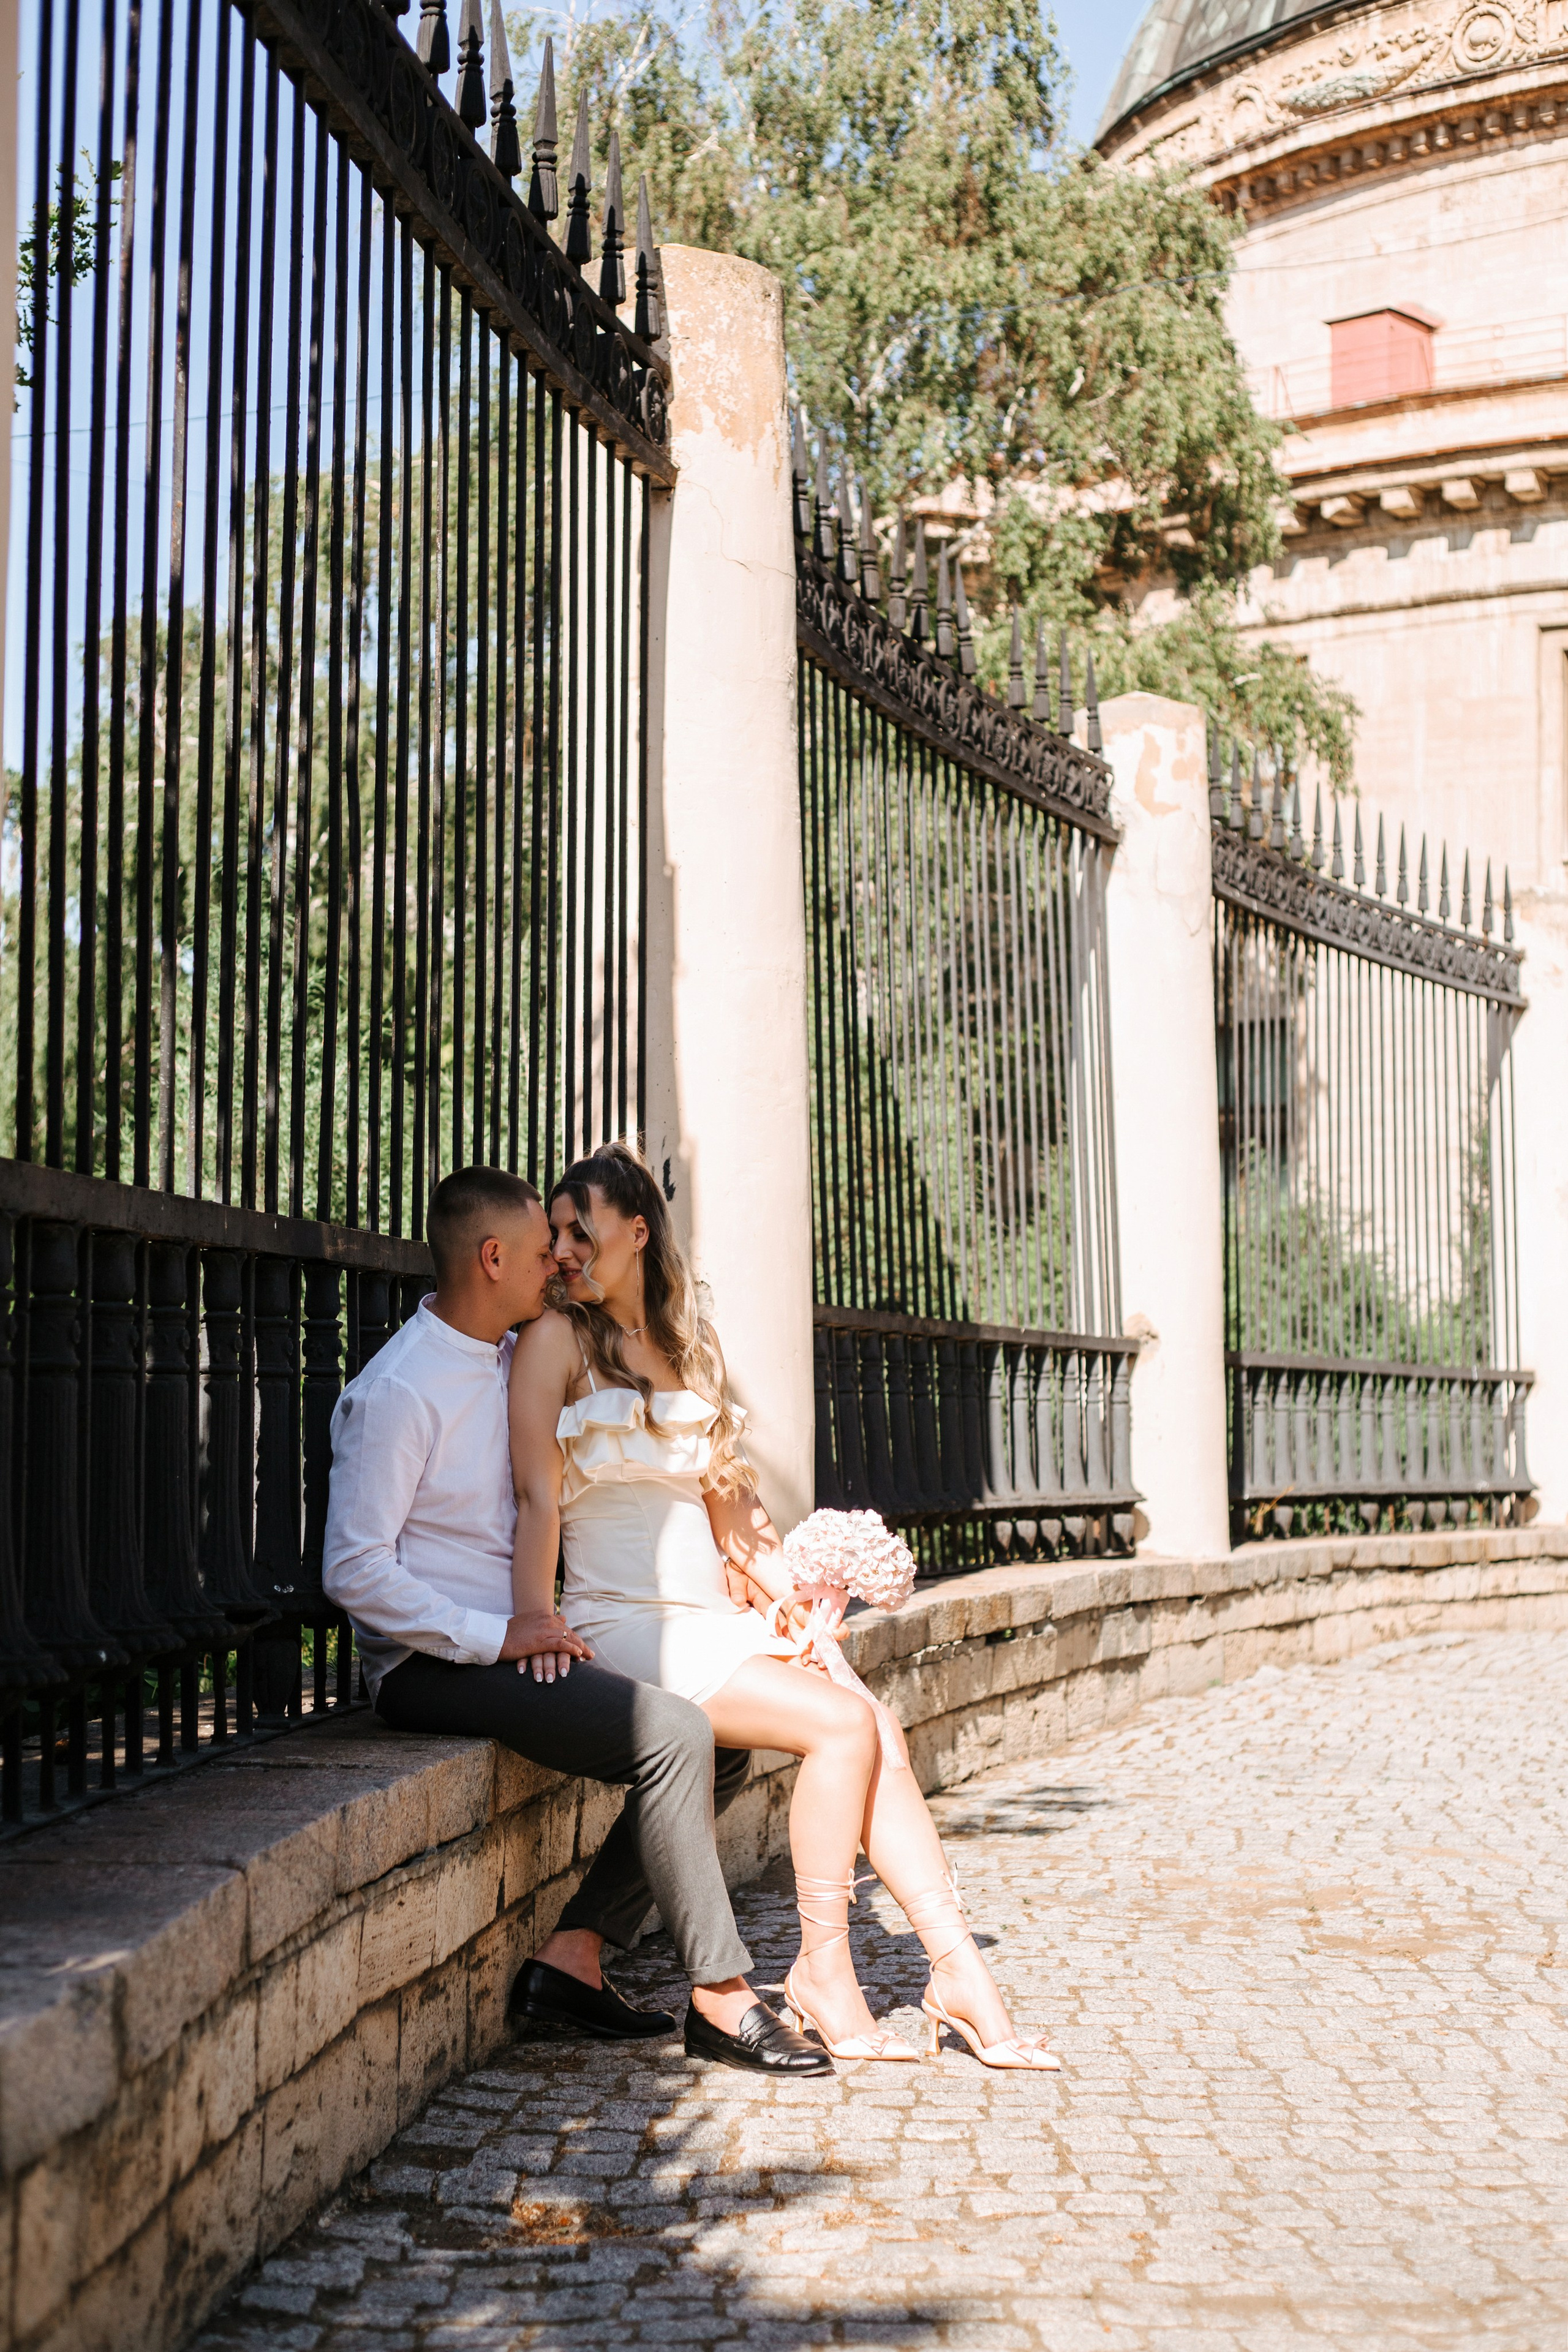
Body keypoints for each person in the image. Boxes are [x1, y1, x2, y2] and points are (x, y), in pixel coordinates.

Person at [508, 1141, 1060, 2071]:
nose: (560, 1248)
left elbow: (735, 1511)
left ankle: (960, 1972)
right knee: (840, 1727)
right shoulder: (554, 1344)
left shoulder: (690, 1349)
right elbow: (531, 1496)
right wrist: (531, 1615)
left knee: (870, 1715)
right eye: (552, 1232)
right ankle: (824, 1973)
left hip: (708, 1623)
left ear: (637, 1231)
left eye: (579, 1228)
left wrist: (798, 1608)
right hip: (623, 1621)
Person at [322, 1164, 831, 2078]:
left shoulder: (514, 1356)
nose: (558, 1265)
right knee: (676, 1731)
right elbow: (353, 1570)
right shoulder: (401, 1388)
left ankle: (573, 1961)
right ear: (490, 1258)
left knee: (719, 1748)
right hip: (432, 1666)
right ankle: (721, 1997)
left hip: (512, 1644)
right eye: (538, 1252)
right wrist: (500, 1635)